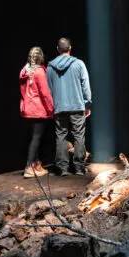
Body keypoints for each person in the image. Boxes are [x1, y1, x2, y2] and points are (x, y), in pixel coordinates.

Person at [46, 37, 91, 176]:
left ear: (58, 49)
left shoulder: (50, 67)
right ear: (70, 48)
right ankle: (79, 168)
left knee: (61, 136)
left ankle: (63, 168)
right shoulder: (79, 64)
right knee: (79, 136)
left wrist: (51, 107)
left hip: (59, 107)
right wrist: (87, 103)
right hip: (77, 106)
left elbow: (49, 89)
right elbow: (85, 85)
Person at [19, 46, 54, 178]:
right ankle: (29, 167)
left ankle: (36, 165)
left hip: (28, 108)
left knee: (35, 137)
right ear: (40, 57)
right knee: (36, 137)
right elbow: (45, 93)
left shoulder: (24, 71)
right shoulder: (39, 72)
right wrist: (51, 109)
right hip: (38, 108)